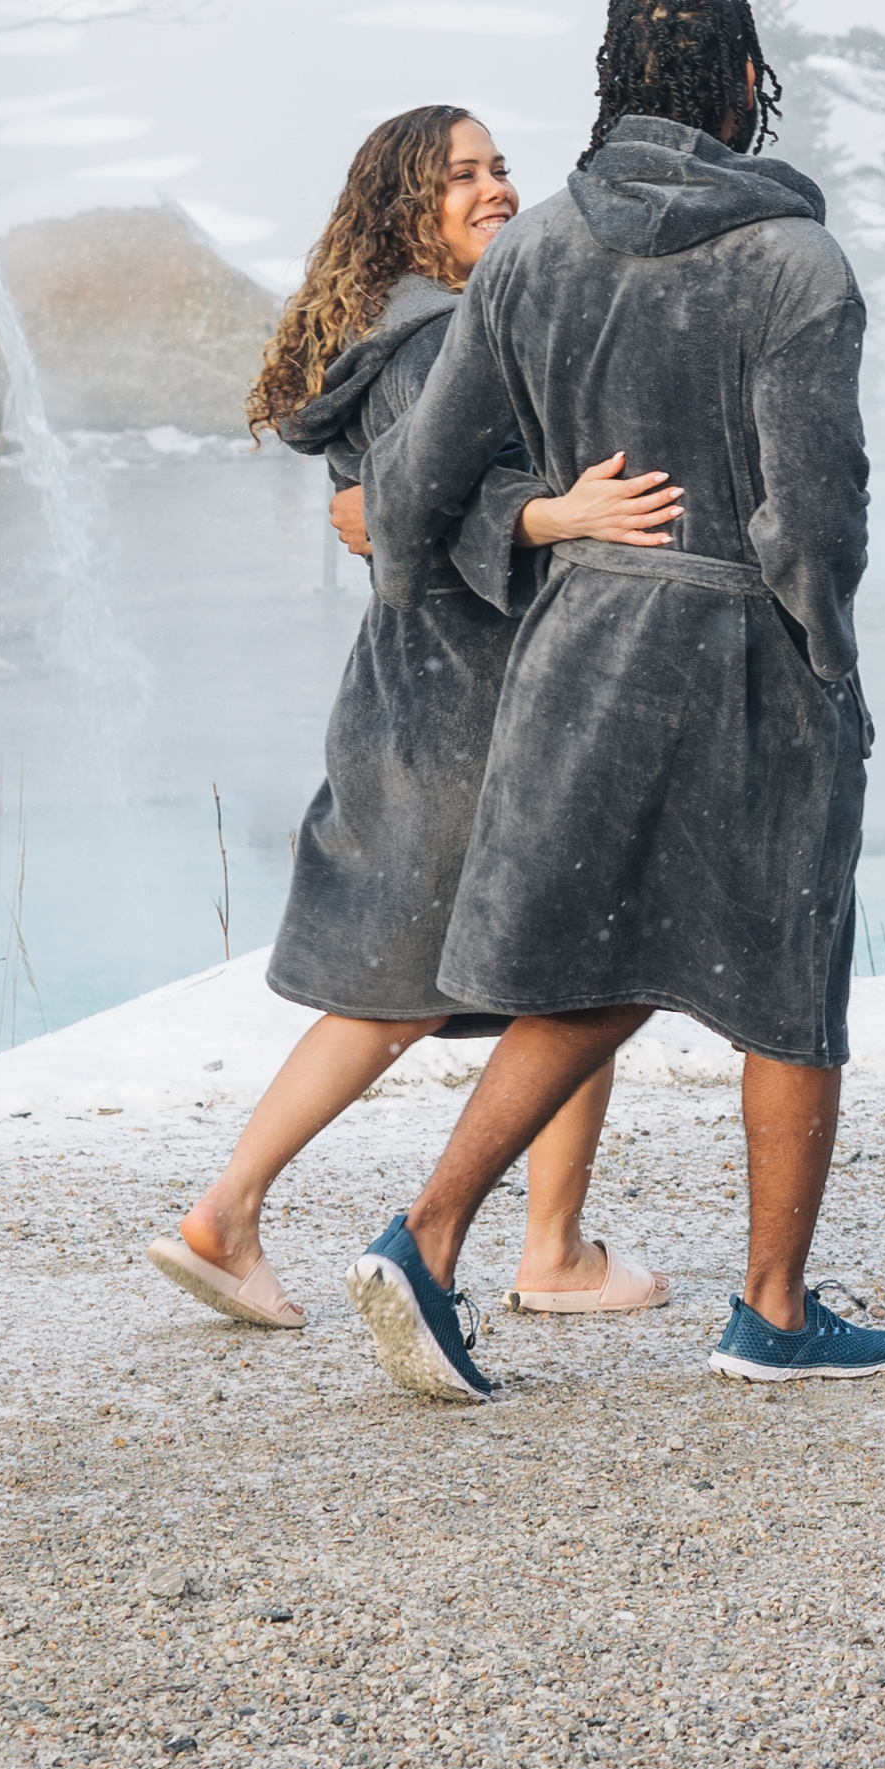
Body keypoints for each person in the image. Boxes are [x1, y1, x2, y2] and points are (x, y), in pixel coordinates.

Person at [346, 0, 885, 1396]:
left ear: (612, 83)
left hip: (580, 655)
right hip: (742, 661)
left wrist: (516, 560)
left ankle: (426, 1235)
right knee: (786, 975)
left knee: (594, 967)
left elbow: (412, 493)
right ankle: (772, 1312)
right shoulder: (793, 264)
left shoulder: (532, 257)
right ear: (741, 85)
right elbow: (811, 517)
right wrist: (826, 663)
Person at [142, 103, 685, 1331]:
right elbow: (422, 502)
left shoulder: (408, 328)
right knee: (431, 979)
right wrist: (557, 516)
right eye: (460, 176)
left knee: (545, 960)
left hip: (436, 689)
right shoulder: (436, 340)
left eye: (499, 168)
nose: (494, 188)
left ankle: (546, 1243)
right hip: (466, 698)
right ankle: (237, 1217)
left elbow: (381, 509)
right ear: (405, 206)